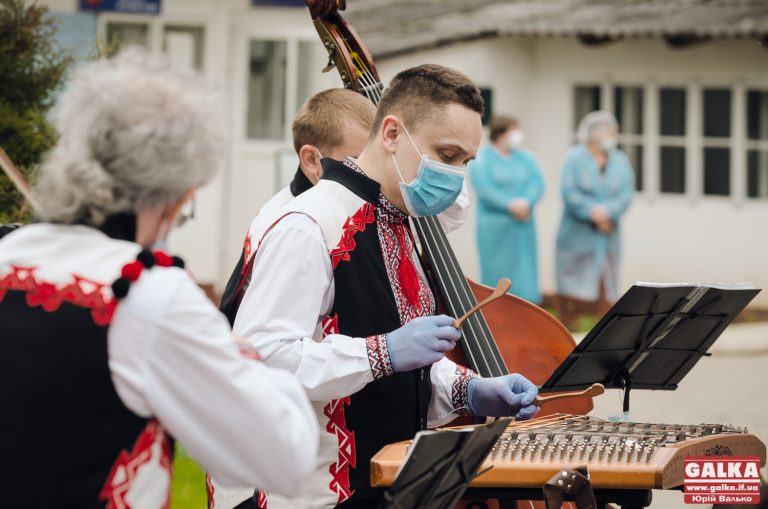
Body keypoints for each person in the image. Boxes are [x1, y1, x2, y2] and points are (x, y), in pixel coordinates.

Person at [0, 49, 319, 509]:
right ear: (177, 194)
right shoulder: (147, 293)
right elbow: (283, 458)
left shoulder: (10, 254)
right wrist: (240, 352)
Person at [231, 64, 540, 509]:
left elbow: (400, 367)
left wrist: (467, 389)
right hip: (319, 495)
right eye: (447, 155)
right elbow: (262, 358)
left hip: (392, 485)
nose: (456, 176)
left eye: (465, 163)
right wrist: (383, 351)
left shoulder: (403, 224)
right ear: (392, 133)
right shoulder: (309, 225)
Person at [219, 87, 470, 325]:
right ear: (310, 159)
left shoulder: (376, 205)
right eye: (358, 159)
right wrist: (385, 352)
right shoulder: (294, 224)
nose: (372, 169)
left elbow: (454, 212)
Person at [555, 110, 635, 311]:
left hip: (609, 232)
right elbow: (569, 191)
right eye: (610, 131)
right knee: (573, 291)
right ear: (593, 133)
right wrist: (592, 212)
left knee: (605, 286)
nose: (614, 136)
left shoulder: (620, 160)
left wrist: (608, 212)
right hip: (577, 234)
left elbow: (626, 193)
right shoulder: (574, 157)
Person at [469, 115, 544, 304]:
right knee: (497, 275)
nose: (517, 135)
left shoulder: (526, 158)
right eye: (513, 130)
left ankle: (527, 311)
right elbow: (485, 189)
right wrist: (510, 205)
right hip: (496, 229)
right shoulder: (483, 160)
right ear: (501, 133)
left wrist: (526, 202)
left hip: (522, 226)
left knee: (525, 274)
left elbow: (537, 182)